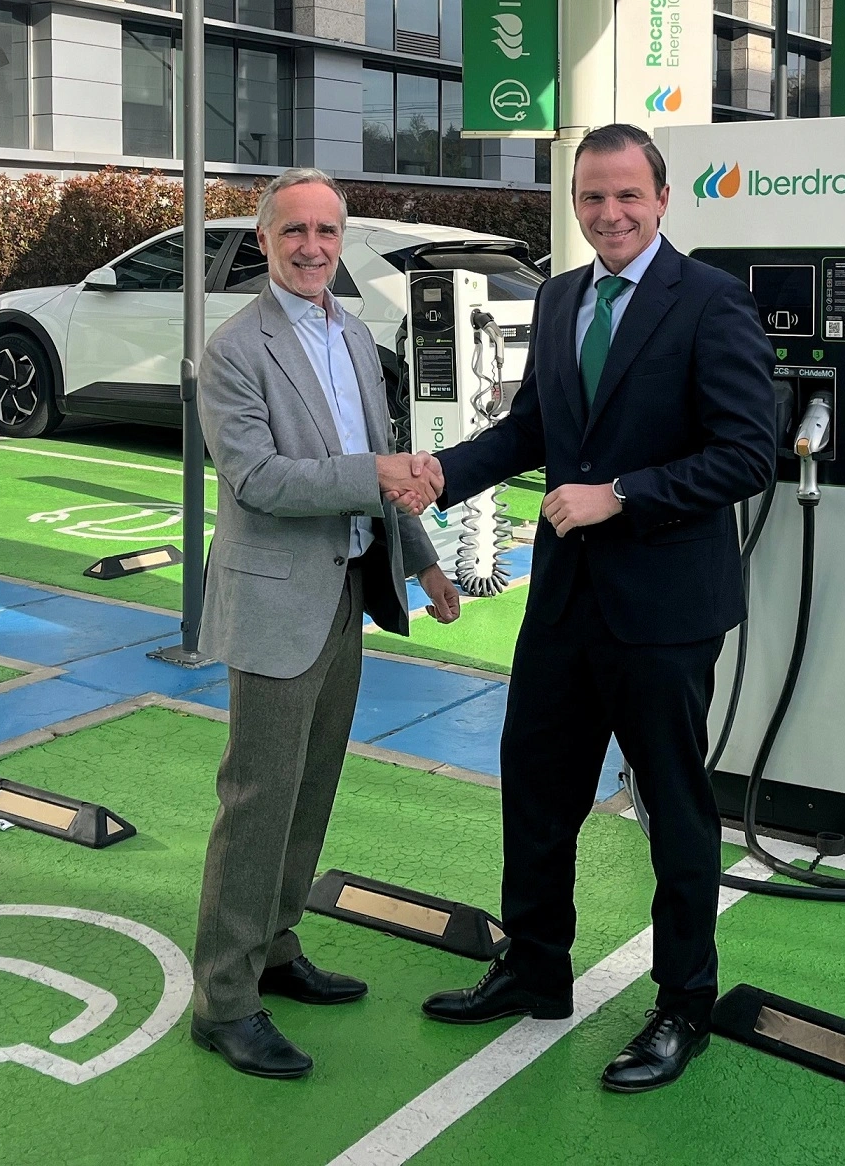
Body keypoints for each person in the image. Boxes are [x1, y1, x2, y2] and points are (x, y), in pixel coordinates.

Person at [404, 123, 775, 1092]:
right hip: (566, 598)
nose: (608, 213)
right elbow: (534, 427)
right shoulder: (564, 295)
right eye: (591, 197)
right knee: (535, 785)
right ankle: (535, 964)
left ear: (662, 199)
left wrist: (623, 492)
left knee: (674, 808)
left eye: (626, 196)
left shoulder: (712, 304)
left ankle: (683, 1001)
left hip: (664, 607)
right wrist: (444, 471)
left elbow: (747, 453)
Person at [189, 167, 464, 1081]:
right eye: (293, 231)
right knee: (258, 798)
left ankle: (274, 945)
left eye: (327, 231)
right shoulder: (232, 349)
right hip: (276, 598)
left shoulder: (350, 335)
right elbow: (258, 480)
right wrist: (375, 479)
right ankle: (224, 1001)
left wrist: (421, 557)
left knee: (309, 787)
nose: (312, 247)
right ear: (263, 242)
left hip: (347, 588)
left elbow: (374, 459)